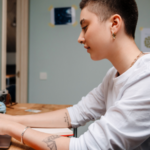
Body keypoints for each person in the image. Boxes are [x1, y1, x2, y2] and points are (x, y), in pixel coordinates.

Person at [1, 0, 150, 149]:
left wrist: (10, 127)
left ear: (114, 24)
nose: (80, 38)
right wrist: (11, 119)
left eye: (85, 27)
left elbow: (84, 147)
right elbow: (77, 113)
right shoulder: (113, 75)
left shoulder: (145, 79)